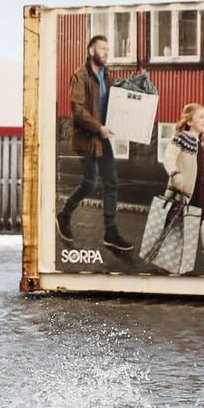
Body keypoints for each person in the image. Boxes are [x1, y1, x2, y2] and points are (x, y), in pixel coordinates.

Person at [57, 33, 135, 254]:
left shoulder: (107, 76)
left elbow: (115, 102)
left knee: (112, 183)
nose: (106, 53)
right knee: (90, 183)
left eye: (108, 50)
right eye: (102, 49)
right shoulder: (80, 76)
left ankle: (110, 232)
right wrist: (98, 127)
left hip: (103, 137)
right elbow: (78, 109)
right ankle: (64, 215)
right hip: (88, 138)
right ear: (92, 51)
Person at [159, 103, 204, 277]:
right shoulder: (181, 138)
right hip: (184, 191)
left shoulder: (201, 144)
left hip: (200, 191)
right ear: (189, 121)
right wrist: (175, 174)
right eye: (201, 116)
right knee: (178, 225)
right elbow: (168, 158)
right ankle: (170, 264)